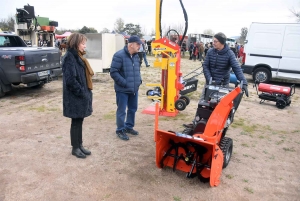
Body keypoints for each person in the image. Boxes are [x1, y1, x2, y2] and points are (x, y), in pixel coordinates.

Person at [62, 33, 94, 159]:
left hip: (79, 96)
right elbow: (71, 80)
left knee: (79, 121)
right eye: (83, 43)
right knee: (75, 122)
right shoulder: (70, 57)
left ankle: (79, 145)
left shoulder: (78, 56)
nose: (84, 46)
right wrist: (82, 92)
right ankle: (75, 148)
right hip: (74, 97)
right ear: (75, 43)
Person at [110, 35, 142, 141]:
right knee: (122, 110)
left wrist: (138, 81)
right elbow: (114, 72)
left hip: (134, 89)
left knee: (133, 109)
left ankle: (129, 127)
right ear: (131, 44)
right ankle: (120, 129)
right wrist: (124, 83)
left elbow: (137, 70)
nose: (139, 46)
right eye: (138, 44)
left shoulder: (136, 56)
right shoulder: (119, 55)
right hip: (122, 89)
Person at [200, 32, 249, 100]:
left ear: (222, 42)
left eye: (215, 41)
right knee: (203, 102)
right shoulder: (210, 51)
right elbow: (205, 66)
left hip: (223, 84)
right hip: (210, 83)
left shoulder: (229, 54)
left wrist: (244, 83)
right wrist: (209, 79)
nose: (213, 43)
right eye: (213, 41)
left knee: (220, 106)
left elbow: (236, 68)